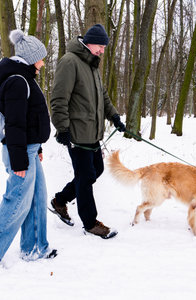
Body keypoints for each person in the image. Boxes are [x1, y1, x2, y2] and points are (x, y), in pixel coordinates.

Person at [0, 30, 57, 274]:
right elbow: (14, 125)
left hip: (29, 149)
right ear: (30, 58)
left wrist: (37, 147)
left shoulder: (23, 78)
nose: (43, 63)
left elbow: (30, 119)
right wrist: (19, 161)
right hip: (20, 152)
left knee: (37, 199)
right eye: (41, 58)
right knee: (16, 203)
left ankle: (35, 247)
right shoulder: (18, 81)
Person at [49, 24, 126, 239]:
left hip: (92, 132)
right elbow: (58, 99)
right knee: (85, 177)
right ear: (88, 42)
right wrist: (62, 128)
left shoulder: (92, 65)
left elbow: (103, 96)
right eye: (100, 46)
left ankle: (60, 201)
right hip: (76, 133)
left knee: (96, 170)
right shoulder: (70, 62)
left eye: (104, 47)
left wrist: (115, 117)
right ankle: (90, 222)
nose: (102, 50)